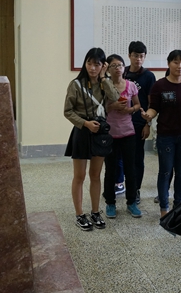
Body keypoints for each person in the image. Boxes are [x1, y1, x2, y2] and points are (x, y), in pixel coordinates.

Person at [64, 47, 119, 231]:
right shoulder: (76, 84)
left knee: (95, 175)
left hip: (100, 133)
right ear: (85, 63)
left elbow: (115, 97)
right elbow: (68, 111)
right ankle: (79, 214)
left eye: (97, 64)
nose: (92, 68)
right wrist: (85, 123)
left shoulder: (105, 83)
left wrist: (104, 78)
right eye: (89, 63)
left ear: (103, 66)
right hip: (82, 131)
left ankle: (95, 211)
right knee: (79, 176)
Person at [141, 50, 181, 217]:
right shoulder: (159, 85)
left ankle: (178, 206)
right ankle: (164, 209)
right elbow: (154, 108)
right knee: (165, 172)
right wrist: (148, 116)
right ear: (168, 64)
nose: (180, 66)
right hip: (166, 135)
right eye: (176, 62)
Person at [103, 54, 142, 219]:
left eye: (120, 65)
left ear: (124, 68)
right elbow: (100, 108)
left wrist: (130, 110)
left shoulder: (131, 85)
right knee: (110, 170)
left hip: (128, 133)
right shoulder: (104, 86)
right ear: (108, 69)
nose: (117, 68)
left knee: (130, 169)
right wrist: (112, 106)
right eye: (113, 66)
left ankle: (131, 202)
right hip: (110, 134)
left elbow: (138, 104)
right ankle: (110, 203)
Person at [123, 41, 156, 205]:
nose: (138, 59)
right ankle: (120, 185)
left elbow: (151, 103)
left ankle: (135, 189)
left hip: (138, 123)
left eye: (141, 56)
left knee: (137, 158)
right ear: (129, 55)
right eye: (135, 56)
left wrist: (147, 124)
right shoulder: (123, 73)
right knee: (120, 158)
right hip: (120, 123)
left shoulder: (149, 76)